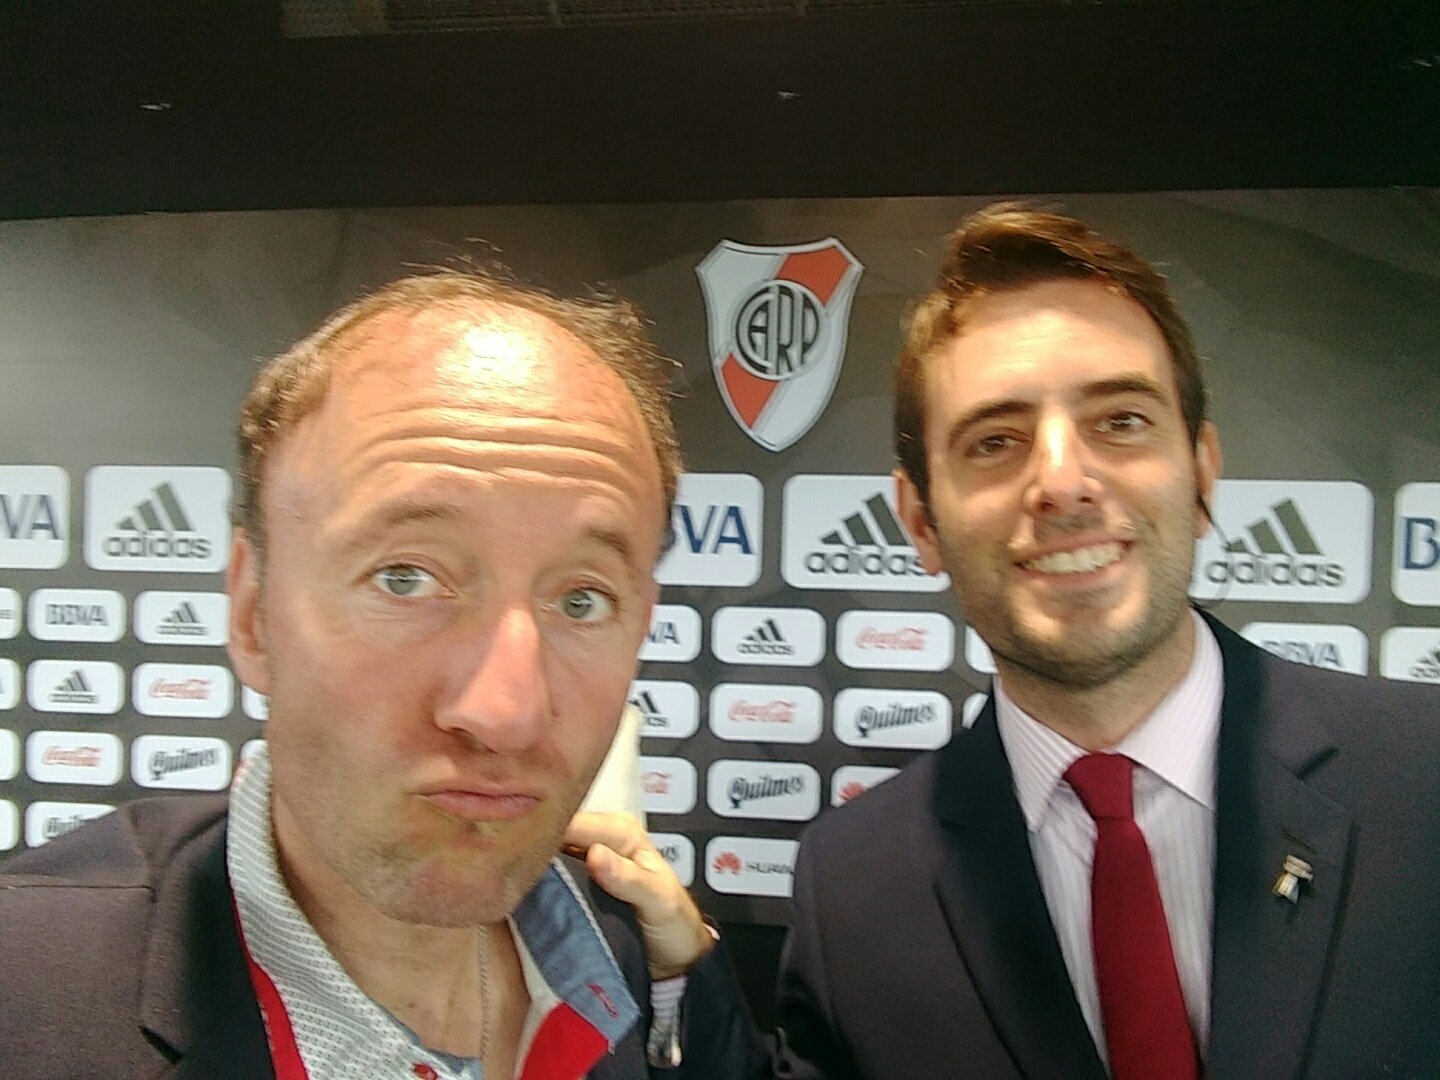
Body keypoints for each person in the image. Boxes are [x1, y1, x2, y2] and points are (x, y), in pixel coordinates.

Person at [0, 270, 764, 1078]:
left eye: (582, 599)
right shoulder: (28, 998)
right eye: (405, 577)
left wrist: (681, 973)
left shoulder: (623, 944)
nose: (505, 713)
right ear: (253, 614)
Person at [774, 205, 1440, 1079]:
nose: (1063, 482)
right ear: (921, 522)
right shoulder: (850, 887)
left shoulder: (1426, 774)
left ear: (1202, 475)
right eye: (996, 441)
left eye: (1121, 421)